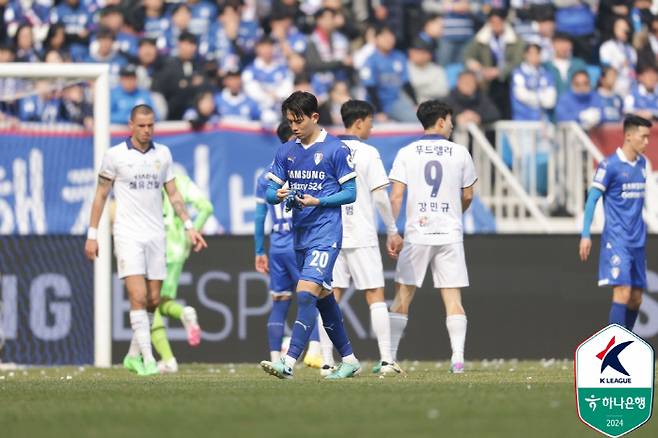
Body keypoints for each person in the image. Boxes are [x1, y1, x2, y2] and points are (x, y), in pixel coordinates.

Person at [84, 104, 207, 376]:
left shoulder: (163, 154)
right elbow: (101, 196)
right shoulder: (114, 156)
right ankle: (149, 361)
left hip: (156, 234)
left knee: (153, 299)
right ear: (131, 125)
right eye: (141, 125)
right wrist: (92, 234)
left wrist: (189, 225)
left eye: (150, 125)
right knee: (137, 296)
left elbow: (174, 195)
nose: (146, 130)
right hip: (127, 233)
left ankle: (131, 356)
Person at [259, 91, 361, 379]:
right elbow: (268, 193)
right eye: (290, 121)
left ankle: (288, 362)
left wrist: (319, 201)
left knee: (304, 294)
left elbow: (350, 193)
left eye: (299, 120)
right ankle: (350, 359)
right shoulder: (286, 151)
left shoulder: (336, 149)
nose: (294, 126)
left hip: (327, 233)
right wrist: (277, 195)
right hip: (300, 234)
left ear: (315, 117)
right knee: (323, 299)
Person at [388, 100, 476, 373]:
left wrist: (393, 230)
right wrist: (453, 213)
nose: (452, 125)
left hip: (417, 232)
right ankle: (458, 359)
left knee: (402, 296)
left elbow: (397, 196)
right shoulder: (460, 152)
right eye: (450, 120)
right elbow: (469, 194)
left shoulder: (407, 152)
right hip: (449, 232)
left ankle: (389, 357)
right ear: (440, 121)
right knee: (453, 298)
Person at [327, 99, 403, 375]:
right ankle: (386, 360)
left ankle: (326, 361)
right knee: (375, 295)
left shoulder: (327, 149)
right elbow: (381, 197)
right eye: (370, 121)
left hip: (331, 233)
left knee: (329, 297)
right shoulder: (368, 152)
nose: (372, 126)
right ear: (359, 122)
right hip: (361, 233)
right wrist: (393, 230)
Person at [254, 121, 323, 370]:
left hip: (276, 246)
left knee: (280, 302)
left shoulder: (266, 175)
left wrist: (259, 250)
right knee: (310, 297)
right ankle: (315, 350)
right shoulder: (301, 167)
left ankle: (274, 358)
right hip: (298, 243)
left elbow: (260, 215)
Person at [579, 115, 651, 332]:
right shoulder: (609, 165)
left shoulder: (643, 164)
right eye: (643, 137)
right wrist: (585, 234)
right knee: (622, 292)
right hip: (617, 239)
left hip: (638, 240)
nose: (647, 142)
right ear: (628, 136)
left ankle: (625, 343)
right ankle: (614, 349)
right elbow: (592, 198)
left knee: (636, 299)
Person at [152, 171, 213, 373]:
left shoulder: (146, 180)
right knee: (161, 302)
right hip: (178, 249)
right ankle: (183, 312)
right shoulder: (182, 181)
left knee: (147, 306)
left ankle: (168, 359)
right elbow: (206, 207)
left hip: (153, 247)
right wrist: (191, 233)